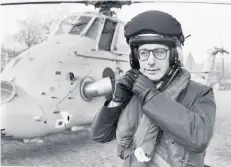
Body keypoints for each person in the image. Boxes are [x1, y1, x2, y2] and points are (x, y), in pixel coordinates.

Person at [91, 10, 216, 167]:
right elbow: (100, 135)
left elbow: (199, 138)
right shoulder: (132, 92)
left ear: (174, 56)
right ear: (135, 58)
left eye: (159, 52)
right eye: (144, 53)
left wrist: (151, 96)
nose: (150, 61)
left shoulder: (199, 92)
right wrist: (116, 101)